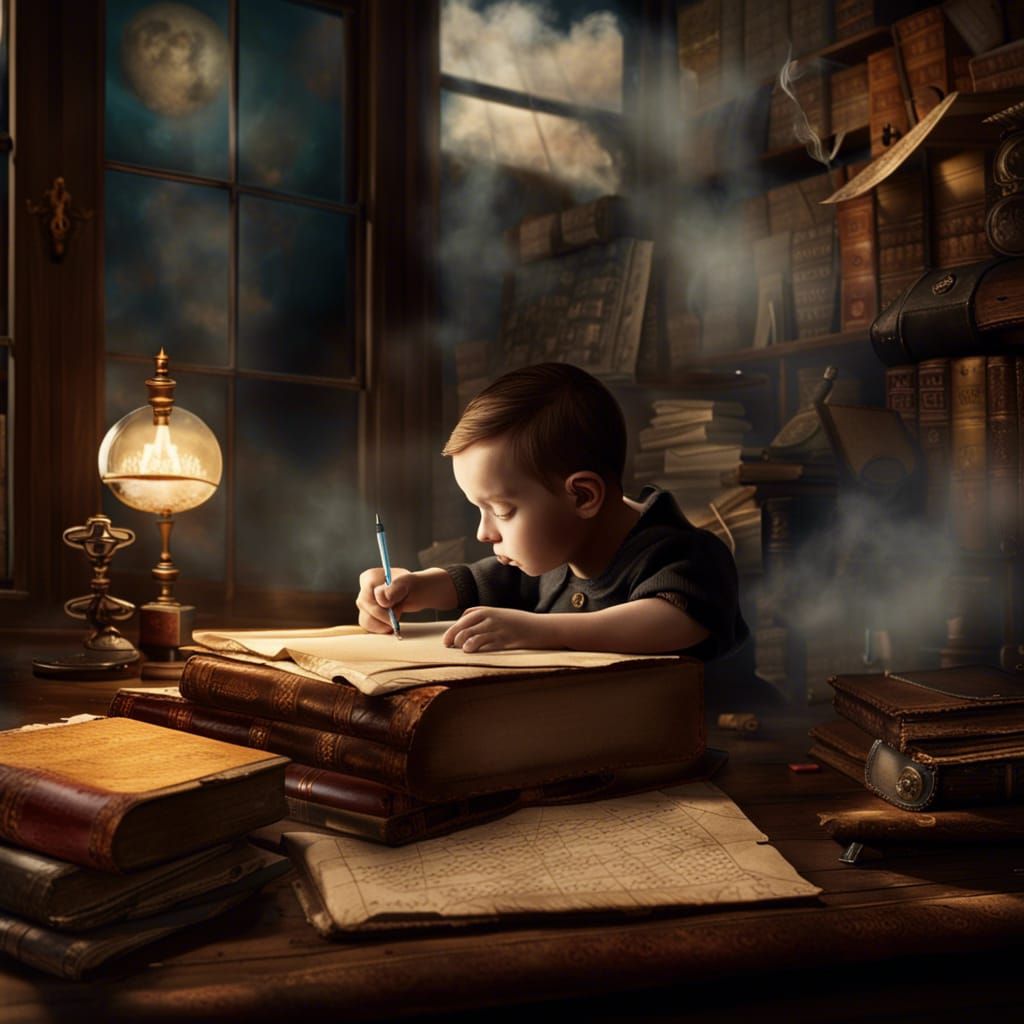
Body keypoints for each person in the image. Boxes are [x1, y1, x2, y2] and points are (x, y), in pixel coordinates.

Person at [356, 362, 749, 657]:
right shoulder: (555, 556)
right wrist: (414, 587)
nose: (484, 533)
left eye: (502, 511)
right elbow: (481, 581)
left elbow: (672, 621)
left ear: (582, 497)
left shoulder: (689, 556)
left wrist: (540, 630)